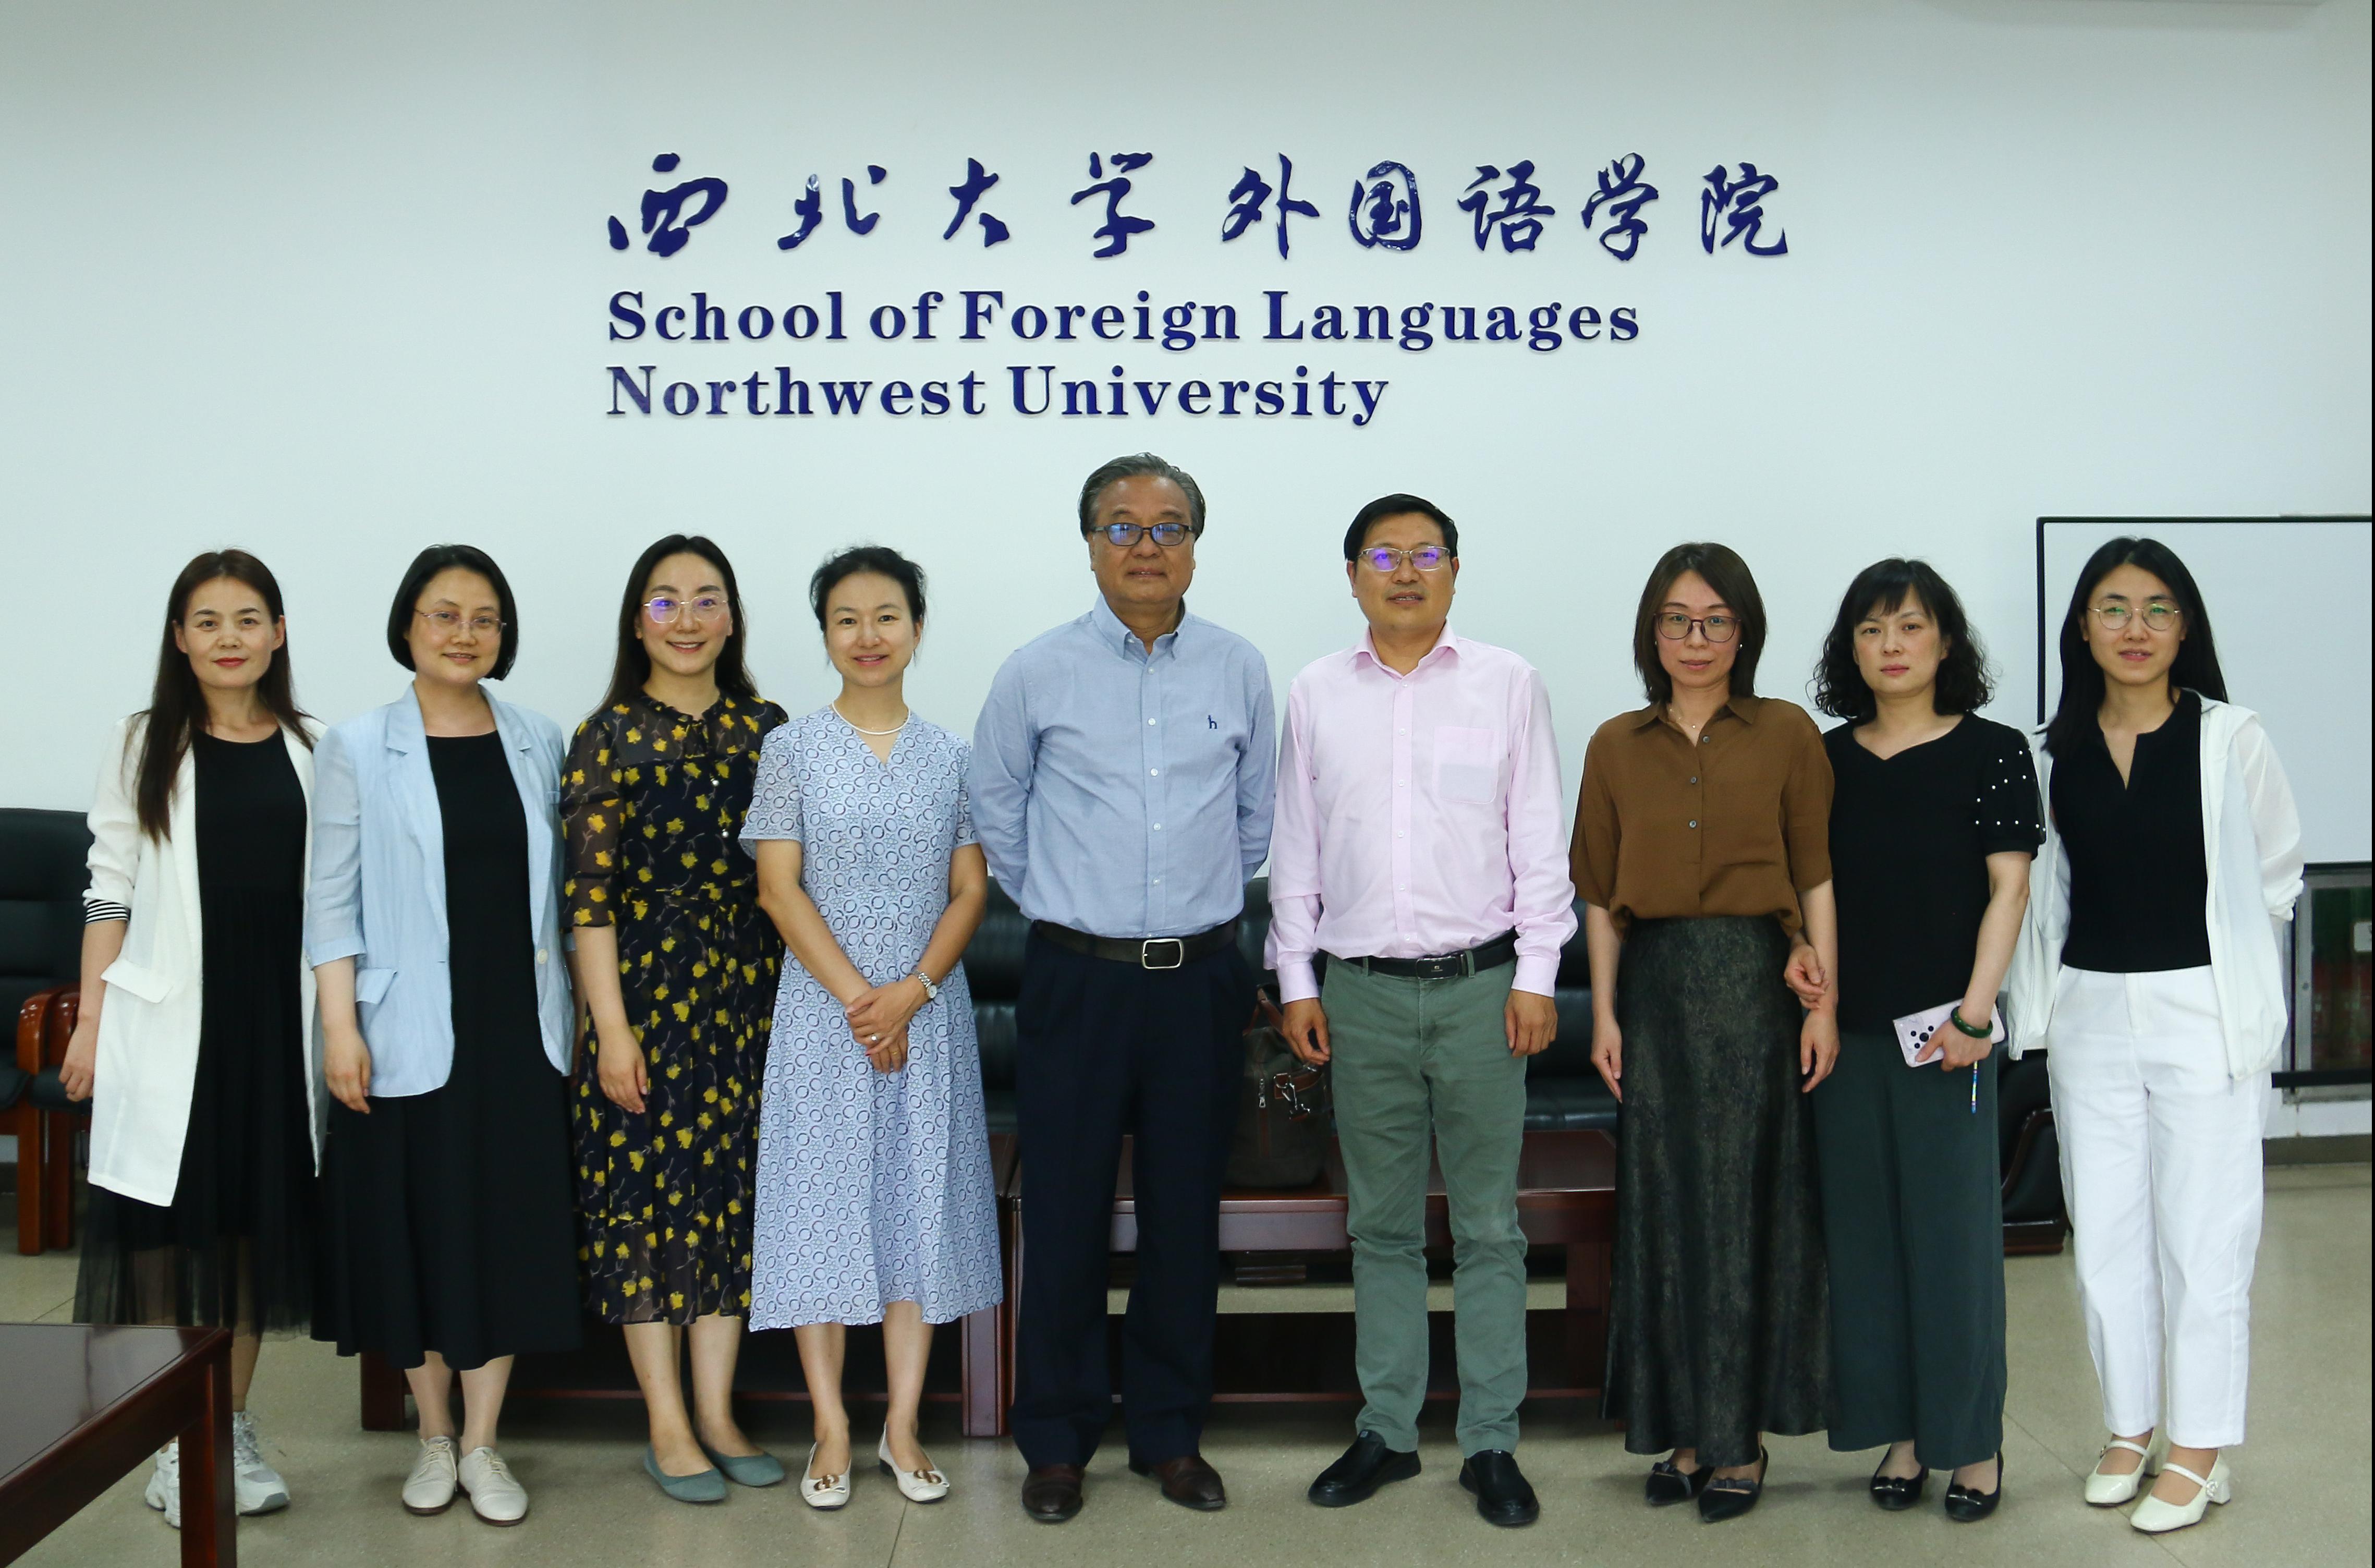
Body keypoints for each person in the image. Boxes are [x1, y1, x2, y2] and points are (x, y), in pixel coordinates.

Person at [971, 453, 1275, 1523]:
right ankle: (1056, 1442)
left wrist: (1190, 909)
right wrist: (1072, 903)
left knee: (1185, 1215)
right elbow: (997, 809)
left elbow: (1255, 819)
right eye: (1123, 525)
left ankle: (1169, 1432)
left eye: (1168, 525)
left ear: (1195, 543)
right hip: (1078, 980)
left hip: (1200, 980)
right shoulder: (1036, 671)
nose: (1147, 545)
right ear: (1091, 542)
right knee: (1063, 1212)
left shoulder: (1238, 667)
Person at [1270, 495, 1575, 1528]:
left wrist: (1539, 973)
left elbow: (1538, 836)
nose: (1406, 571)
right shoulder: (1316, 692)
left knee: (1488, 1227)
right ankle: (1388, 1431)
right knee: (1383, 1227)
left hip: (1485, 991)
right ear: (1352, 574)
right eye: (1384, 555)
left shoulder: (1507, 682)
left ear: (1454, 569)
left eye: (1426, 553)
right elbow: (1298, 847)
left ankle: (1490, 1441)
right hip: (1359, 993)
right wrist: (1297, 981)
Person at [2006, 537, 2301, 1535]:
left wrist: (2234, 984)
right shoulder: (2050, 751)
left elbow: (2278, 873)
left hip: (2202, 1009)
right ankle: (2130, 1429)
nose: (2136, 628)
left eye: (2158, 608)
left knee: (2205, 1234)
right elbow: (2047, 894)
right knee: (2106, 1236)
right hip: (2091, 1009)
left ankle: (2201, 1448)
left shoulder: (2231, 738)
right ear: (2082, 628)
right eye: (2114, 608)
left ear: (2186, 628)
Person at [308, 545, 579, 1526]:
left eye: (484, 619)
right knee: (416, 1232)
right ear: (408, 626)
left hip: (520, 1027)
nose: (465, 634)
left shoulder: (539, 736)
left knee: (502, 1230)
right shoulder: (355, 744)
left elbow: (563, 893)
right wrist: (340, 1027)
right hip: (401, 1028)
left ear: (504, 635)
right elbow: (329, 901)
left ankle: (483, 1442)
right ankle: (432, 1433)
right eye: (444, 615)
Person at [1570, 541, 1837, 1523]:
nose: (1697, 638)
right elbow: (1599, 897)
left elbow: (1816, 876)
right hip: (1655, 994)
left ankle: (1740, 1441)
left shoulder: (1786, 733)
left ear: (1744, 632)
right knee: (1665, 1215)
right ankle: (1684, 1430)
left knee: (1745, 1213)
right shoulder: (1613, 744)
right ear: (1653, 632)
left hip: (1756, 994)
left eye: (1717, 621)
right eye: (1679, 620)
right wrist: (1604, 1014)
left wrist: (1826, 1003)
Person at [63, 550, 321, 1528]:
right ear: (180, 638)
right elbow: (110, 889)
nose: (228, 638)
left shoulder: (312, 746)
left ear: (278, 634)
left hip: (276, 1023)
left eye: (248, 619)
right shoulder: (144, 742)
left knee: (250, 1238)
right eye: (207, 621)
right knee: (175, 1239)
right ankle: (175, 1442)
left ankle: (229, 1426)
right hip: (173, 1021)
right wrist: (91, 1022)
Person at [744, 546, 999, 1510]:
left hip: (927, 1017)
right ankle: (830, 1426)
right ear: (825, 635)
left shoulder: (953, 755)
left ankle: (901, 1424)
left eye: (886, 616)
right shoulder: (792, 750)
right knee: (821, 1212)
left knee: (914, 1212)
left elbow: (969, 889)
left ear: (917, 630)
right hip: (824, 1018)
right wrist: (865, 1000)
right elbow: (779, 888)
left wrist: (912, 993)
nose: (868, 636)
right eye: (846, 619)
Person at [1801, 558, 2039, 1523]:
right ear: (1850, 650)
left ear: (1946, 642)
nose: (1891, 646)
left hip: (1951, 1038)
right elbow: (1808, 891)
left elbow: (2009, 888)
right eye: (1871, 630)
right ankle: (1902, 1433)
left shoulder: (1993, 751)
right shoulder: (1823, 758)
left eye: (1909, 627)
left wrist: (1975, 1013)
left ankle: (1971, 1443)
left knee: (1953, 1248)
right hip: (1848, 1040)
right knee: (1865, 1247)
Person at [564, 536, 789, 1503]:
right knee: (646, 1208)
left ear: (732, 619)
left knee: (732, 1203)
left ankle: (719, 1412)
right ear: (636, 621)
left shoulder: (769, 729)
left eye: (706, 600)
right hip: (644, 1001)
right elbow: (587, 903)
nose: (687, 620)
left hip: (751, 1000)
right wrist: (611, 1030)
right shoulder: (605, 735)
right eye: (665, 601)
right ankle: (666, 1421)